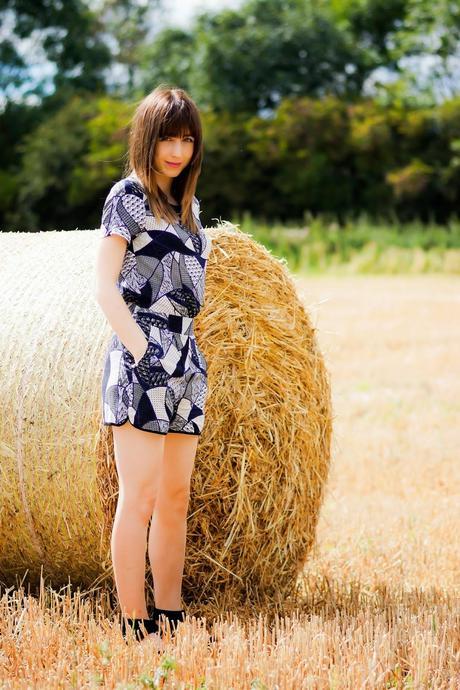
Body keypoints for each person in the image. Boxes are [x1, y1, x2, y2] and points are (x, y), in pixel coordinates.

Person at [94, 85, 212, 650]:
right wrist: (144, 355)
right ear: (148, 137)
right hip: (141, 356)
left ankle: (172, 611)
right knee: (137, 496)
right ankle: (133, 620)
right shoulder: (128, 197)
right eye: (168, 136)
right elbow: (104, 290)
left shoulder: (192, 216)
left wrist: (182, 360)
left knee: (175, 497)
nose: (178, 149)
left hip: (188, 360)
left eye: (187, 138)